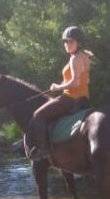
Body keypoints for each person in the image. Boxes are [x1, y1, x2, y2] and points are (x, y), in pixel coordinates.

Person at [25, 26, 92, 160]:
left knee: (38, 115)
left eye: (71, 41)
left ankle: (43, 149)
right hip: (84, 97)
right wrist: (62, 84)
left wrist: (57, 87)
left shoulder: (74, 59)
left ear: (79, 43)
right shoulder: (85, 56)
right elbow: (86, 80)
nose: (67, 44)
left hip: (70, 98)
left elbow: (75, 83)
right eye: (65, 41)